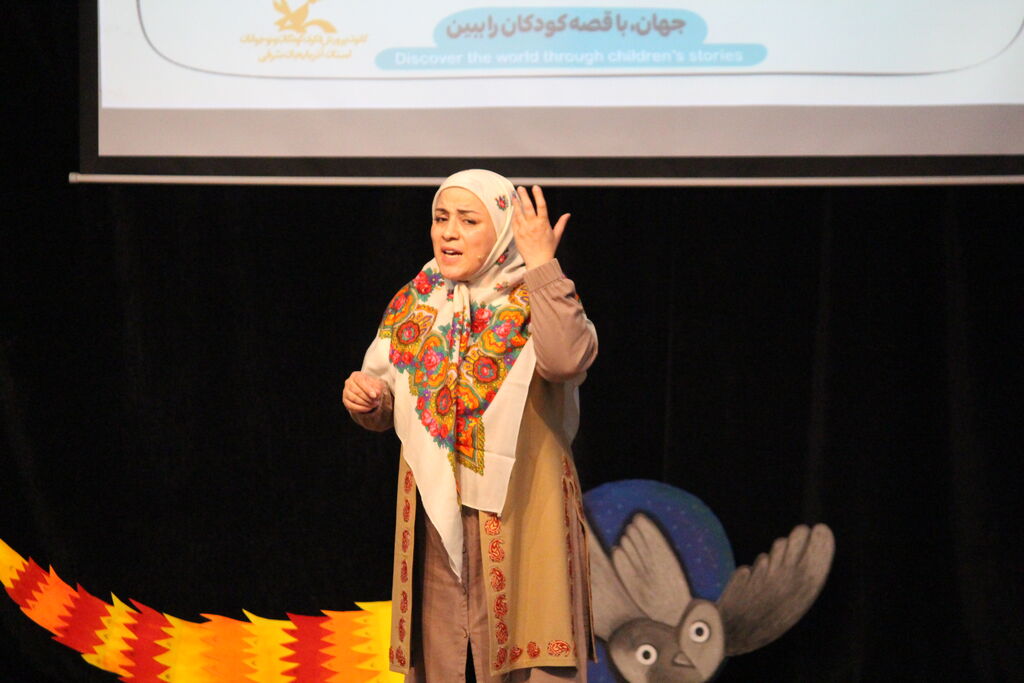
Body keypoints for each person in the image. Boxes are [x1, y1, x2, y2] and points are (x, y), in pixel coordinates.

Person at [343, 169, 597, 682]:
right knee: (442, 659)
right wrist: (367, 400)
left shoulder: (535, 297)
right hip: (437, 515)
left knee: (527, 653)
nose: (449, 233)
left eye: (467, 220)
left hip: (520, 510)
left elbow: (567, 359)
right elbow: (388, 397)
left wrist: (542, 266)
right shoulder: (417, 300)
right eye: (441, 218)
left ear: (502, 230)